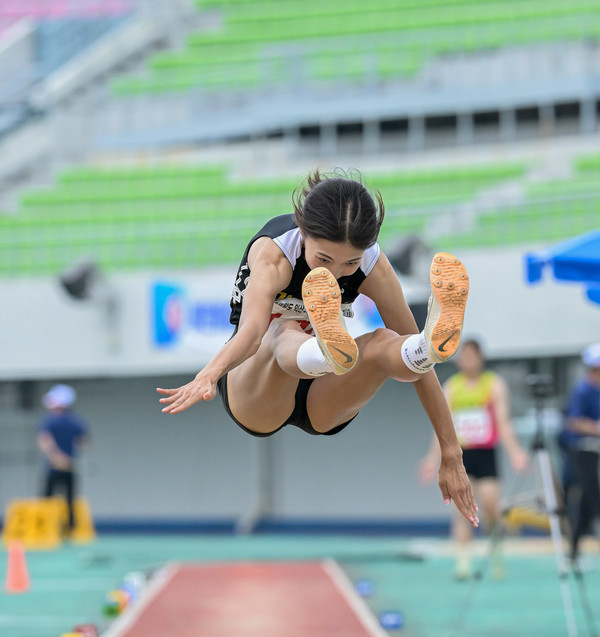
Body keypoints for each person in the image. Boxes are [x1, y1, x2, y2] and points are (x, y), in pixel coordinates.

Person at [157, 170, 479, 528]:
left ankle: (426, 346)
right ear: (303, 231)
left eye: (351, 263)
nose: (340, 273)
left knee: (384, 344)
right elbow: (249, 334)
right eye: (324, 259)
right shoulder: (274, 254)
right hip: (257, 394)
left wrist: (452, 452)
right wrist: (209, 373)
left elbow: (421, 375)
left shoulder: (374, 266)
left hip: (325, 401)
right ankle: (325, 350)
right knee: (280, 329)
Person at [420, 339, 528, 578]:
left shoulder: (494, 385)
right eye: (463, 356)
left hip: (486, 454)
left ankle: (497, 553)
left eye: (471, 356)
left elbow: (503, 422)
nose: (467, 360)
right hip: (461, 454)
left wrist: (515, 452)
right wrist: (431, 459)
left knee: (491, 506)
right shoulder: (451, 386)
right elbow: (441, 427)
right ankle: (463, 562)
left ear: (480, 358)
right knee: (461, 509)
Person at [562, 343, 600, 562]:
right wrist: (596, 428)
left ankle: (575, 548)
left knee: (589, 500)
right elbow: (573, 421)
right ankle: (575, 547)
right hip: (585, 452)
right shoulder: (582, 390)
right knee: (590, 498)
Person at [37, 384, 88, 534]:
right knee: (70, 500)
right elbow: (83, 442)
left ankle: (46, 529)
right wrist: (69, 458)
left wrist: (56, 457)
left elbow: (44, 441)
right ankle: (70, 530)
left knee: (47, 499)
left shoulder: (50, 421)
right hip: (70, 465)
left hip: (53, 466)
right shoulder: (76, 421)